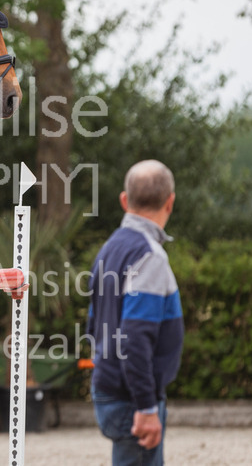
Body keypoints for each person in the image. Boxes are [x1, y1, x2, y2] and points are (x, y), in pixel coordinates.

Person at [87, 160, 184, 465]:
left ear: (124, 200)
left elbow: (94, 324)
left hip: (110, 386)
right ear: (170, 202)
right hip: (132, 400)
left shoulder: (110, 248)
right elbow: (134, 338)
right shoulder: (149, 256)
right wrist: (145, 406)